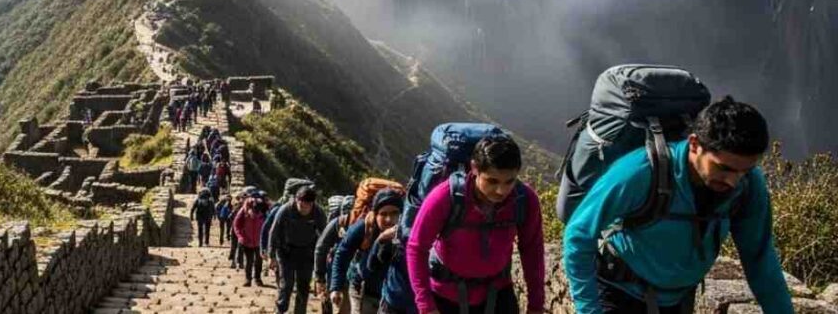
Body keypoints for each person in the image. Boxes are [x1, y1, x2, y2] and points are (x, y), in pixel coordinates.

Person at [563, 96, 794, 314]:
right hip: (617, 295)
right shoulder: (640, 172)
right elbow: (579, 233)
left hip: (678, 301)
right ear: (695, 144)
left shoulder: (749, 185)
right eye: (724, 168)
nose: (733, 181)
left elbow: (759, 258)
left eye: (745, 171)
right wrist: (589, 310)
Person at [405, 135, 543, 314]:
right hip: (446, 296)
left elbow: (533, 251)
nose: (501, 190)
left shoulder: (524, 200)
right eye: (492, 181)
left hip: (498, 295)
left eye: (509, 181)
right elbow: (417, 248)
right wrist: (426, 306)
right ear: (475, 168)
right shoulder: (445, 197)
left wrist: (536, 305)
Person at [334, 188, 404, 314]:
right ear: (375, 214)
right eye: (383, 214)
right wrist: (336, 287)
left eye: (394, 213)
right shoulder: (363, 228)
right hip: (362, 289)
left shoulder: (406, 232)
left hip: (390, 295)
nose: (389, 219)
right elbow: (342, 253)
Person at [270, 186, 327, 314]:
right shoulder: (286, 210)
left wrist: (326, 253)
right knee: (286, 285)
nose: (304, 207)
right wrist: (271, 255)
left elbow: (325, 235)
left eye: (308, 205)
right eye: (301, 203)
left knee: (303, 286)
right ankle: (280, 310)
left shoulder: (318, 212)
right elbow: (274, 232)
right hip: (287, 251)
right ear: (296, 200)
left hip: (307, 253)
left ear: (312, 203)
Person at [235, 196, 268, 287]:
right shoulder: (243, 212)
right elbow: (236, 225)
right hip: (247, 241)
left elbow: (268, 227)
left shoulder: (264, 212)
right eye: (254, 212)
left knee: (259, 260)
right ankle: (247, 279)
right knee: (249, 261)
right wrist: (241, 237)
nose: (255, 214)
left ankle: (258, 278)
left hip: (259, 242)